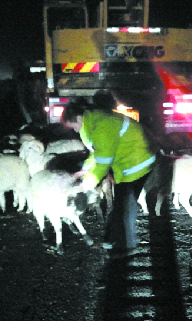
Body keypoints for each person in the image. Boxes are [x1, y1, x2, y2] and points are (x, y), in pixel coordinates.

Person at [61, 97, 155, 259]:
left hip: (136, 163)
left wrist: (87, 184)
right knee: (120, 204)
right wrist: (84, 170)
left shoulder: (103, 126)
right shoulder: (90, 125)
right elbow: (96, 153)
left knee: (125, 207)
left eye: (74, 127)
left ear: (78, 118)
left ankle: (126, 246)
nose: (75, 131)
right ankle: (113, 239)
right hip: (124, 164)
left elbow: (103, 161)